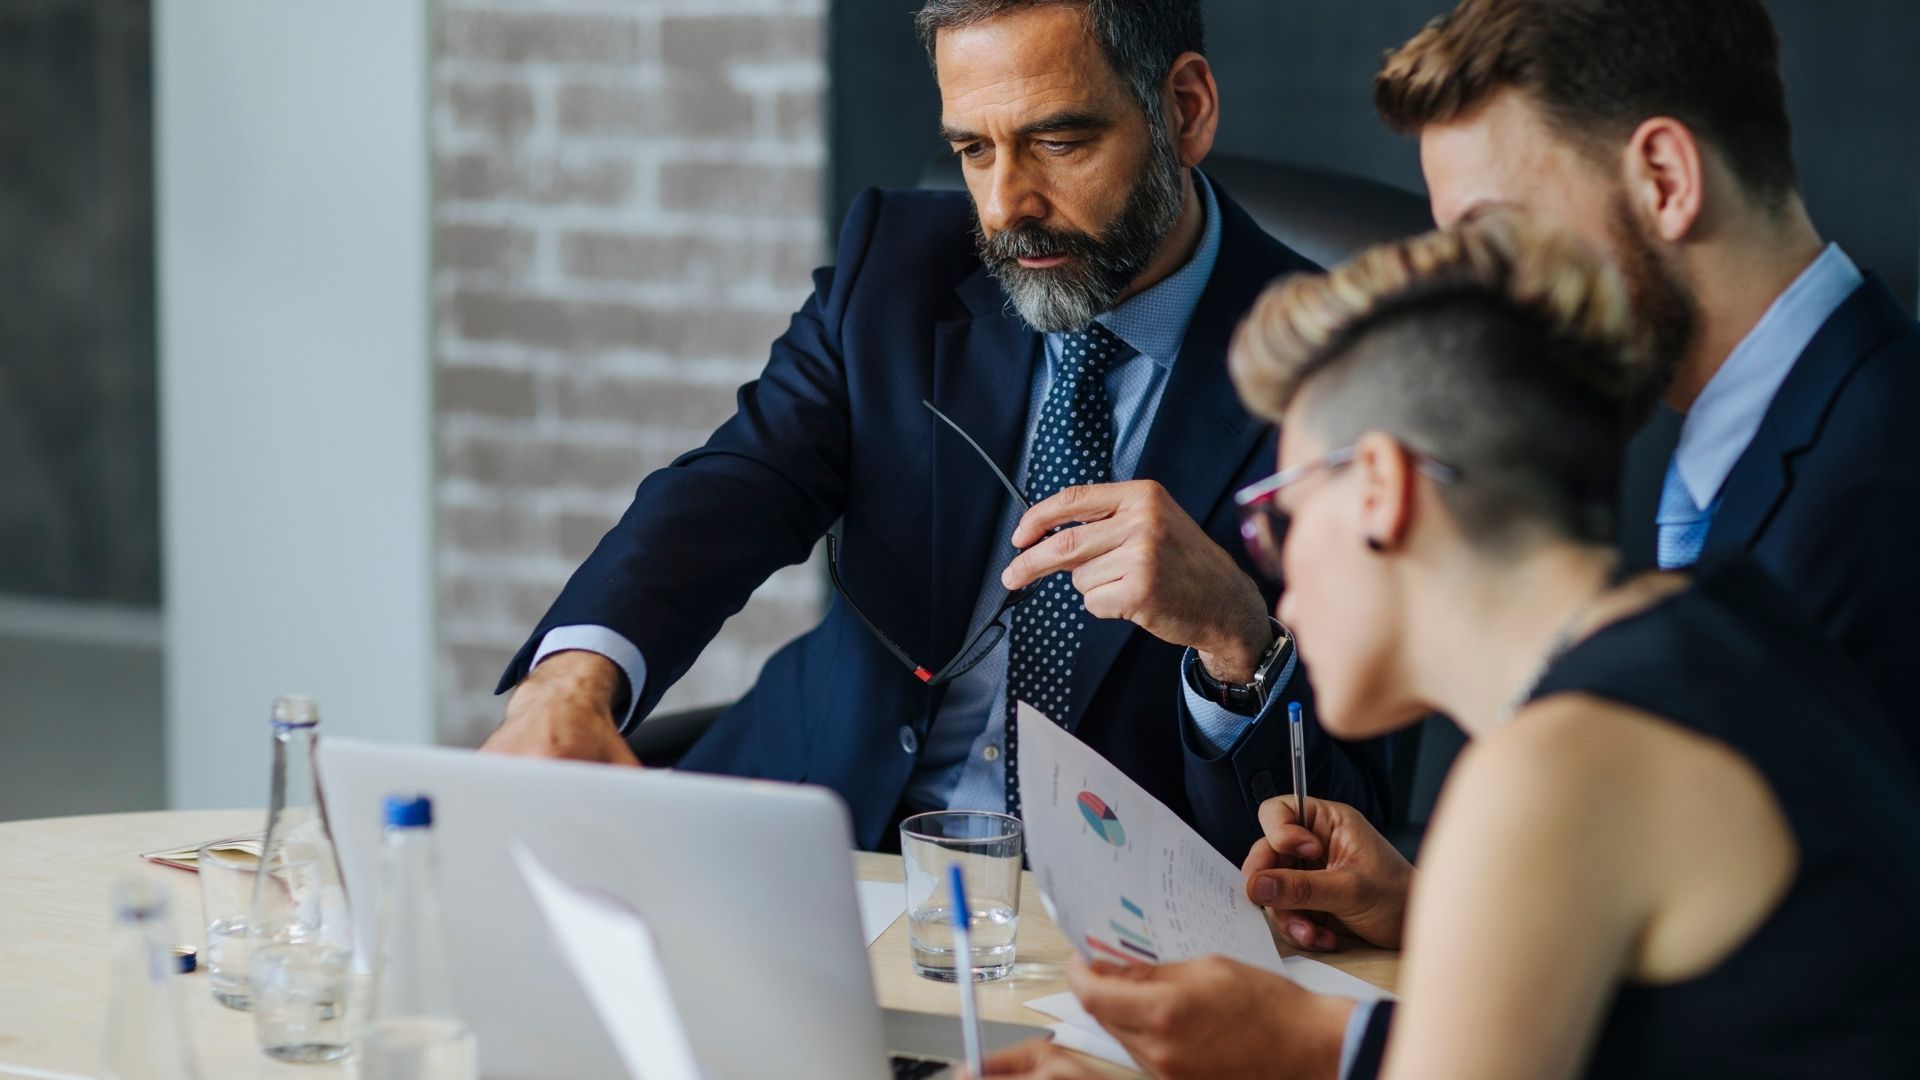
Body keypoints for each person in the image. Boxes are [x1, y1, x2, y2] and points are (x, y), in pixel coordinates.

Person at [977, 214, 1920, 1080]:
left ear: (1380, 489)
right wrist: (1429, 910)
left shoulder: (1554, 769)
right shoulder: (1731, 630)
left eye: (1282, 520)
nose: (1281, 581)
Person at [479, 0, 1393, 855]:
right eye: (972, 149)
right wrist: (572, 679)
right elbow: (737, 485)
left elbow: (1358, 813)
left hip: (1105, 926)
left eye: (1059, 141)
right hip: (812, 837)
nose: (1003, 207)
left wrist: (1235, 635)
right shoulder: (898, 266)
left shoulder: (1347, 365)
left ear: (1185, 111)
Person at [1374, 0, 1920, 765]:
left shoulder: (1874, 505)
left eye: (1494, 238)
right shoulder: (1796, 448)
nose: (1479, 304)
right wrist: (1418, 891)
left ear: (1664, 180)